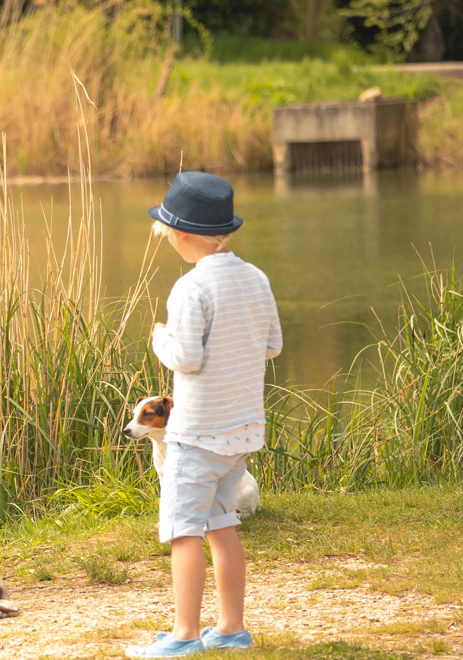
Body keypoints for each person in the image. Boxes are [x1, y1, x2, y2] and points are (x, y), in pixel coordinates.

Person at [126, 171, 282, 657]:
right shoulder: (255, 277)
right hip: (242, 431)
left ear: (181, 234)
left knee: (182, 531)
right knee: (222, 524)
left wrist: (160, 341)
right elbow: (273, 344)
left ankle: (185, 636)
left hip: (196, 438)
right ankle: (231, 628)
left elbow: (187, 357)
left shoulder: (189, 289)